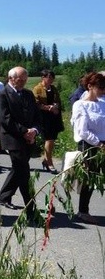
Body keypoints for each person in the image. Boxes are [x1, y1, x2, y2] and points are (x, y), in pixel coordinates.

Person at [0, 66, 43, 222]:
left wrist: (34, 130)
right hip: (13, 139)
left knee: (18, 168)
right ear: (11, 78)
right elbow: (5, 119)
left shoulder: (28, 94)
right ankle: (31, 210)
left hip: (28, 138)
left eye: (24, 80)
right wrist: (24, 132)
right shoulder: (1, 95)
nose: (22, 83)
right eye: (19, 80)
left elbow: (37, 115)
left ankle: (4, 196)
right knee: (24, 172)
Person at [70, 72, 105, 224]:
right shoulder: (80, 105)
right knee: (89, 179)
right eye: (101, 87)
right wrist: (99, 143)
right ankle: (83, 211)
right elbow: (82, 131)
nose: (103, 90)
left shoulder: (103, 104)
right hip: (90, 146)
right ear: (90, 86)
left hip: (103, 143)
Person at [32, 69, 64, 174]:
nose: (50, 79)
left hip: (54, 117)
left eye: (52, 77)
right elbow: (36, 104)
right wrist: (48, 108)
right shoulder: (37, 89)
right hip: (43, 117)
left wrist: (56, 107)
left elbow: (58, 100)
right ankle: (50, 162)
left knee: (52, 139)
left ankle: (46, 160)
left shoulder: (53, 88)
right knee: (48, 139)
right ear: (43, 77)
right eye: (48, 77)